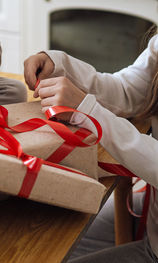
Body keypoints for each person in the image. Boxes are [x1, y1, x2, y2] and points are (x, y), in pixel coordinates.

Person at [23, 30, 158, 262]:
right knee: (50, 239)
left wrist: (90, 112)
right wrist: (60, 65)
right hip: (151, 225)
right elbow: (128, 91)